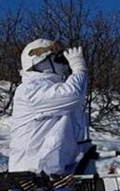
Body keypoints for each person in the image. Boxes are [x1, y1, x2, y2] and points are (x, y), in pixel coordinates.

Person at [9, 38, 89, 175]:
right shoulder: (28, 91)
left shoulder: (57, 91)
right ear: (40, 62)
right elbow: (74, 94)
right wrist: (79, 69)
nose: (64, 65)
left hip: (55, 175)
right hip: (29, 175)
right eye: (58, 60)